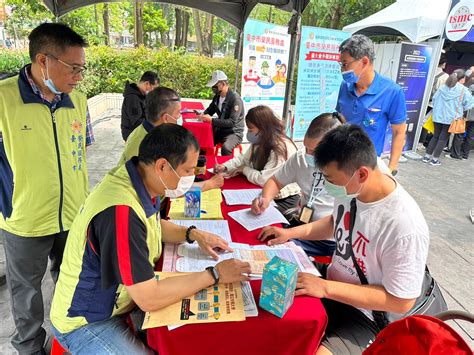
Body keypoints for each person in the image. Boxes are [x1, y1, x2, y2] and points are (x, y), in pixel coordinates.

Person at [50, 124, 251, 354]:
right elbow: (149, 298)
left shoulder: (141, 180)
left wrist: (193, 234)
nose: (191, 178)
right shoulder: (120, 211)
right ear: (162, 166)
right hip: (86, 321)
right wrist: (215, 274)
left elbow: (152, 225)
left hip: (119, 303)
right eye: (187, 171)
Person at [258, 125, 429, 354]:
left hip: (367, 315)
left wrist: (325, 288)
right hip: (333, 281)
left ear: (362, 174)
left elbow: (400, 301)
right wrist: (289, 234)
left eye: (330, 179)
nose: (328, 185)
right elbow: (335, 223)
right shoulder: (353, 190)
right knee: (267, 275)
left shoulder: (404, 226)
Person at [0, 23, 93, 354]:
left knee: (71, 286)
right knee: (26, 296)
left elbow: (82, 151)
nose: (79, 76)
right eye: (74, 68)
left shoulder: (78, 101)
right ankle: (30, 349)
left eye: (83, 67)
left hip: (72, 215)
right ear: (43, 60)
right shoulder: (4, 98)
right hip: (24, 219)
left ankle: (69, 343)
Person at [251, 112, 345, 256]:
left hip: (328, 239)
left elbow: (335, 223)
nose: (308, 154)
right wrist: (265, 199)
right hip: (302, 224)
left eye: (314, 151)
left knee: (274, 250)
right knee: (261, 236)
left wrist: (290, 233)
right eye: (306, 147)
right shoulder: (301, 158)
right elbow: (275, 181)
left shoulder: (347, 170)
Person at [119, 86, 223, 195]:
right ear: (165, 118)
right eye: (178, 113)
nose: (180, 117)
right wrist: (211, 183)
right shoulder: (147, 145)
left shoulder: (144, 130)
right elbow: (171, 189)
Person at [336, 34, 407, 175]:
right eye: (341, 64)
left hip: (368, 166)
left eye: (345, 64)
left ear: (364, 61)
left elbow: (398, 132)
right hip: (341, 159)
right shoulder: (345, 86)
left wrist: (391, 168)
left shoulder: (392, 92)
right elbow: (339, 119)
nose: (342, 69)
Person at [214, 105, 300, 214]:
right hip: (265, 194)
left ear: (263, 127)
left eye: (251, 129)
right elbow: (243, 158)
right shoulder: (261, 140)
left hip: (283, 199)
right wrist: (225, 166)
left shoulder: (280, 148)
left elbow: (264, 180)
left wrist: (244, 169)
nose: (249, 133)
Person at [422, 69, 472, 166]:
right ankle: (434, 160)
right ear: (461, 79)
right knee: (443, 139)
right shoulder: (463, 90)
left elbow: (435, 99)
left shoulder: (443, 87)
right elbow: (469, 104)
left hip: (437, 116)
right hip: (451, 118)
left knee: (435, 136)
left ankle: (426, 156)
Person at [198, 70, 244, 156]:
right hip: (221, 130)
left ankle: (227, 168)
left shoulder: (235, 99)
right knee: (203, 142)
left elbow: (231, 122)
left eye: (215, 86)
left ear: (223, 83)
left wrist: (211, 120)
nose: (213, 89)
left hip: (234, 132)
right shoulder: (217, 97)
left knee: (226, 148)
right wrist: (202, 115)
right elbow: (210, 110)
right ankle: (203, 164)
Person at [418, 54, 450, 149]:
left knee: (419, 120)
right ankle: (421, 142)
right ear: (443, 64)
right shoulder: (445, 76)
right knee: (427, 122)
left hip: (422, 100)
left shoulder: (428, 71)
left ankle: (415, 140)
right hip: (434, 103)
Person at [121, 71, 160, 141]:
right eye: (153, 88)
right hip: (132, 133)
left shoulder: (141, 94)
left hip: (140, 128)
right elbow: (137, 122)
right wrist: (155, 123)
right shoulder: (132, 98)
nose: (153, 92)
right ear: (147, 83)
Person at [449, 68, 474, 160]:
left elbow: (466, 97)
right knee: (470, 135)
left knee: (459, 133)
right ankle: (464, 154)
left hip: (468, 113)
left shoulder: (470, 85)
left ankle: (455, 153)